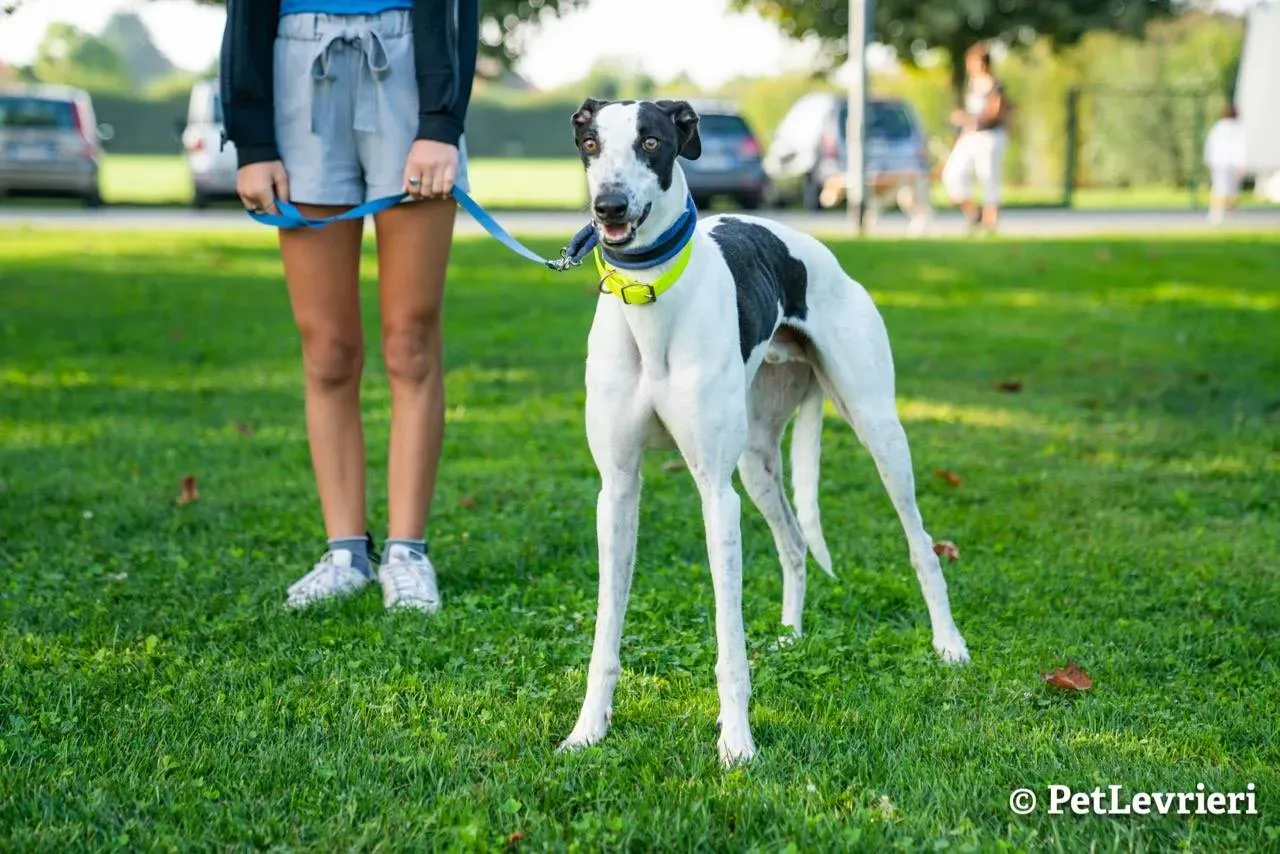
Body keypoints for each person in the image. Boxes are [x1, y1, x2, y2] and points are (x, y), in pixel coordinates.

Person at [218, 0, 478, 612]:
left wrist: (441, 123)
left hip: (410, 60)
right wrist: (252, 140)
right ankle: (345, 555)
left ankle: (407, 552)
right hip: (297, 63)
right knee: (328, 352)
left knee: (410, 343)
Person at [941, 42, 1010, 233]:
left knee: (988, 177)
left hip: (990, 136)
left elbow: (996, 113)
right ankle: (974, 213)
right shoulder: (972, 85)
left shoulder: (995, 85)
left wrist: (969, 119)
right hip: (971, 135)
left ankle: (990, 222)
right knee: (953, 174)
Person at [1203, 104, 1247, 225]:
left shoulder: (1217, 128)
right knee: (1231, 189)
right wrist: (1241, 163)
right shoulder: (1237, 128)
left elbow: (1209, 145)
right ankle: (1229, 214)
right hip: (1231, 163)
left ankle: (1216, 214)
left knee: (1218, 188)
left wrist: (1208, 160)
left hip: (1218, 162)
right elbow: (1240, 148)